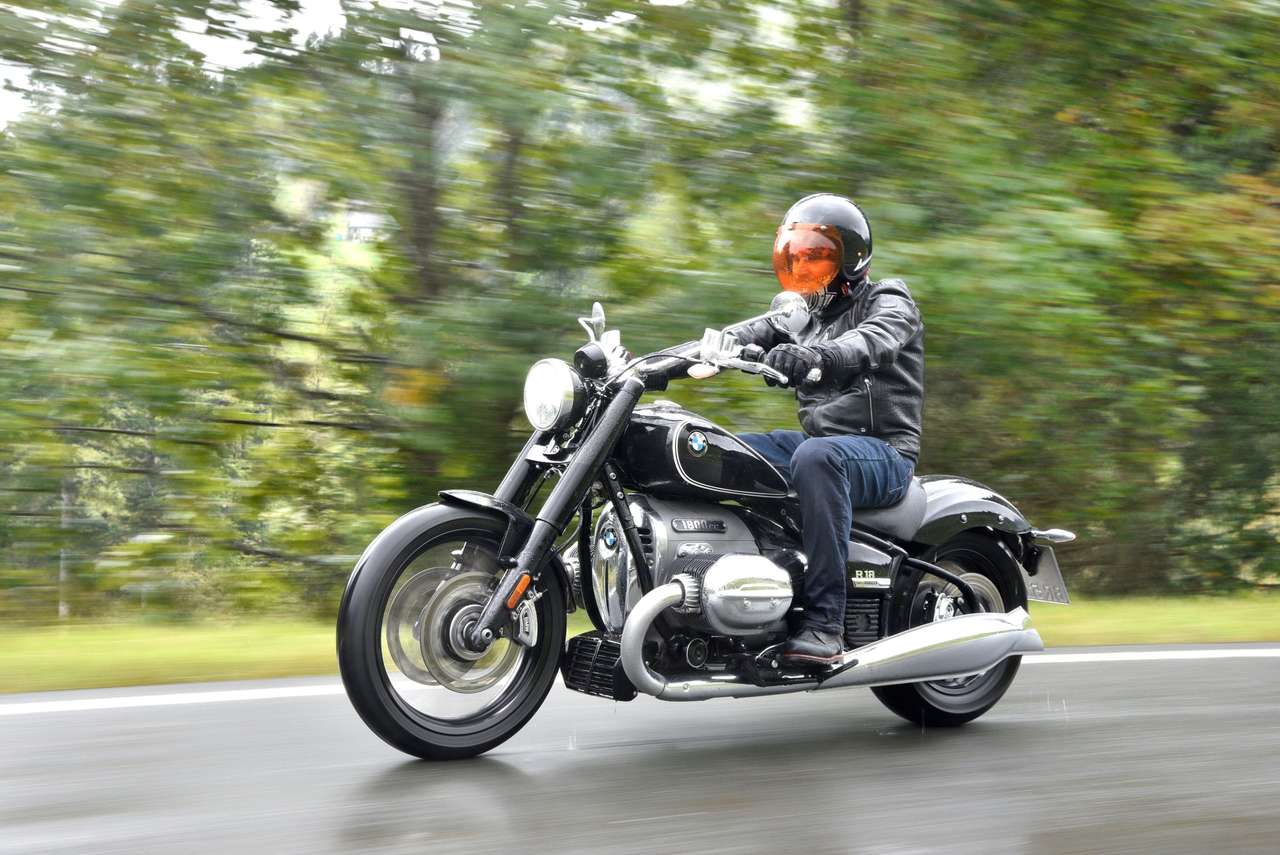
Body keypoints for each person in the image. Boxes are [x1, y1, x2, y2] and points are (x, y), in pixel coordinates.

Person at [737, 193, 924, 666]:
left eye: (816, 256)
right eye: (795, 257)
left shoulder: (888, 300)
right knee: (719, 451)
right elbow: (744, 332)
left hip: (884, 452)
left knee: (816, 457)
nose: (803, 267)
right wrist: (660, 363)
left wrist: (817, 356)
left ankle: (825, 624)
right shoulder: (801, 313)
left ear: (851, 260)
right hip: (821, 445)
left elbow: (873, 339)